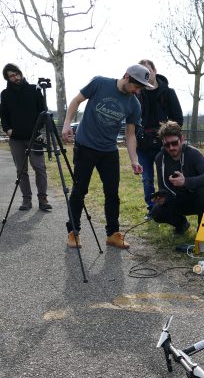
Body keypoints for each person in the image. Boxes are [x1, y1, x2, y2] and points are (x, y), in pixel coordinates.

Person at [60, 64, 153, 249]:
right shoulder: (100, 83)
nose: (137, 90)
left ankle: (112, 234)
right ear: (126, 76)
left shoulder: (134, 103)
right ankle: (73, 232)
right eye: (136, 85)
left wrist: (134, 160)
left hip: (109, 151)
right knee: (80, 191)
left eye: (141, 87)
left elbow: (130, 134)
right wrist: (67, 123)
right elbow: (76, 101)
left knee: (112, 194)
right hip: (85, 147)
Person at [0, 63, 51, 211]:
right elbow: (3, 114)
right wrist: (7, 129)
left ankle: (43, 199)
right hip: (16, 139)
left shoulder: (34, 90)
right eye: (11, 76)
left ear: (20, 73)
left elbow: (43, 111)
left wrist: (38, 128)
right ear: (8, 79)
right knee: (21, 170)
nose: (15, 77)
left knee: (40, 168)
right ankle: (26, 200)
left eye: (16, 74)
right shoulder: (5, 94)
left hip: (35, 137)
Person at [135, 59, 184, 219]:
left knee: (165, 178)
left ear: (155, 70)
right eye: (142, 71)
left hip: (163, 144)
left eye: (148, 71)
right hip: (143, 143)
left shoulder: (168, 93)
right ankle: (152, 209)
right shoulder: (137, 93)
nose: (146, 74)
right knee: (147, 179)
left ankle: (169, 206)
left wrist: (167, 135)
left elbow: (178, 119)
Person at [150, 121, 204, 235]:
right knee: (156, 212)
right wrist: (162, 197)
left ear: (182, 139)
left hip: (196, 198)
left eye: (174, 143)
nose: (171, 147)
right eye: (167, 145)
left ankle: (202, 232)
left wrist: (185, 182)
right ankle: (182, 224)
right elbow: (162, 186)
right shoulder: (160, 158)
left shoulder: (193, 154)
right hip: (176, 199)